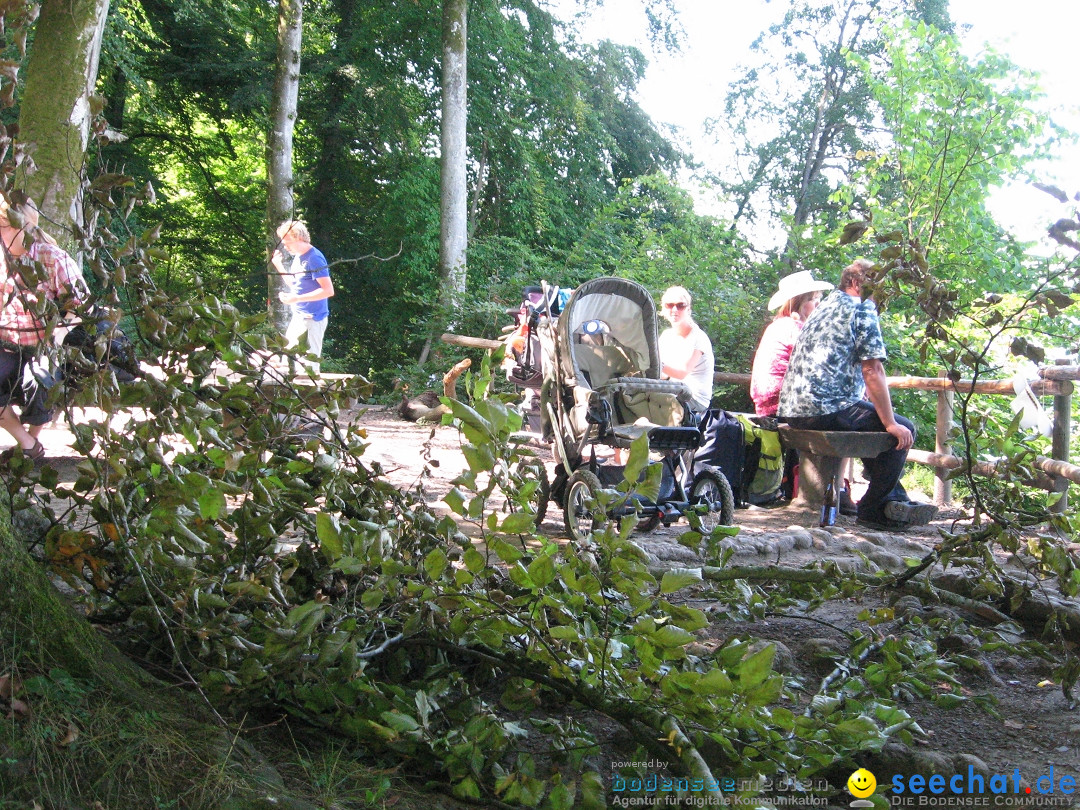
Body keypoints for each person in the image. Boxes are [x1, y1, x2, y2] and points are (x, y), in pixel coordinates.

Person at [777, 258, 936, 531]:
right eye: (878, 285)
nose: (882, 292)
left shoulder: (824, 306)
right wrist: (890, 423)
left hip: (794, 408)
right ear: (856, 282)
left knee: (870, 418)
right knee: (903, 428)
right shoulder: (861, 309)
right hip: (825, 408)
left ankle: (895, 498)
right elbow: (873, 369)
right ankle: (874, 510)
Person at [0, 193, 88, 462]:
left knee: (42, 382)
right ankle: (28, 444)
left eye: (3, 226)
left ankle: (31, 442)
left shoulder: (51, 257)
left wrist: (56, 336)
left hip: (44, 346)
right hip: (6, 344)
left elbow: (82, 305)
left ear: (22, 227)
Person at [749, 270, 832, 417]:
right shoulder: (794, 327)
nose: (818, 304)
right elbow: (822, 367)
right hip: (784, 406)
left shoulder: (778, 325)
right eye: (812, 299)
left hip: (769, 406)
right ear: (798, 303)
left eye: (819, 298)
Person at [271, 220, 333, 374]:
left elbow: (328, 290)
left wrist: (296, 299)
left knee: (308, 368)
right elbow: (295, 285)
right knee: (288, 362)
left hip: (313, 319)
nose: (285, 246)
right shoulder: (299, 257)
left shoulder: (314, 258)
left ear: (298, 237)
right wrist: (278, 265)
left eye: (287, 241)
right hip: (298, 317)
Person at [658, 286, 714, 413]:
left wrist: (653, 364)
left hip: (695, 399)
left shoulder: (699, 337)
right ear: (663, 308)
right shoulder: (666, 336)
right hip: (675, 391)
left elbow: (682, 372)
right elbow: (663, 375)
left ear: (688, 309)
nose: (674, 309)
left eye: (680, 305)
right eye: (669, 305)